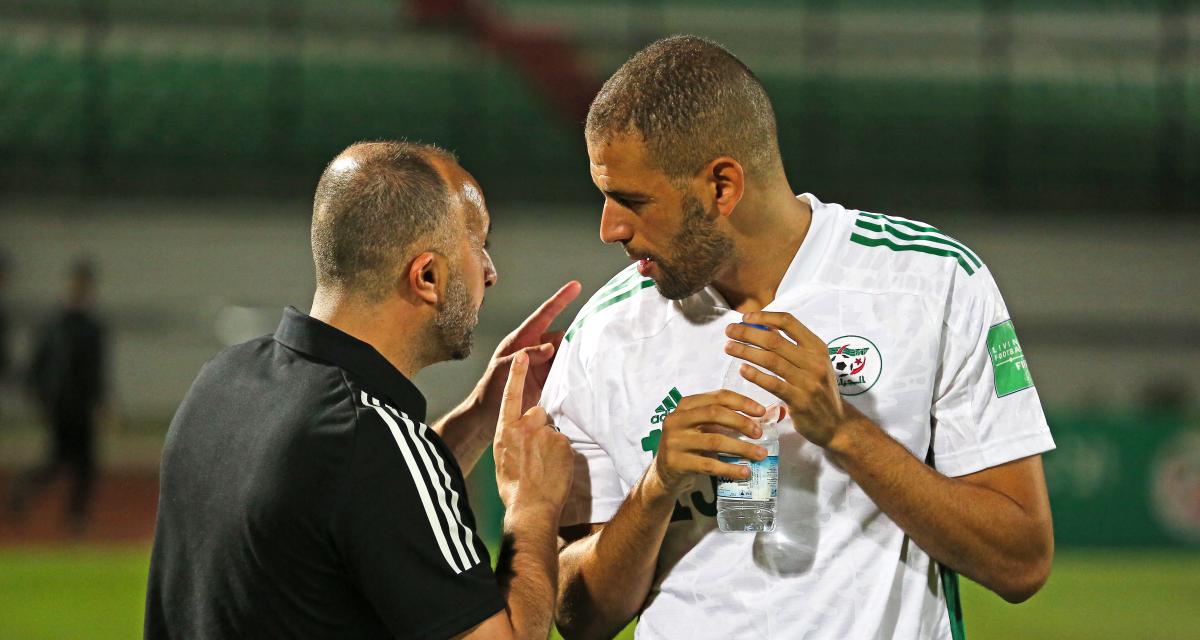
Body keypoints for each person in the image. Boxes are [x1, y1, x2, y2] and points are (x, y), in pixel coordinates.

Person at [546, 36, 1055, 640]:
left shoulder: (931, 284)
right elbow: (577, 618)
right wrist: (656, 490)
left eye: (631, 200)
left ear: (722, 186)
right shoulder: (601, 337)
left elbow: (1020, 562)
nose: (610, 228)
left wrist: (844, 431)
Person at [144, 141, 581, 639]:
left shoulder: (225, 378)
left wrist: (481, 414)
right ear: (427, 276)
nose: (490, 272)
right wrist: (532, 504)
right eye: (479, 244)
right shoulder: (368, 437)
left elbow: (369, 500)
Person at [8, 258, 107, 533]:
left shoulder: (88, 326)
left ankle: (73, 515)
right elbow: (38, 365)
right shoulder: (57, 325)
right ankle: (73, 516)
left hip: (79, 405)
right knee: (69, 461)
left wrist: (101, 401)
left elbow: (97, 370)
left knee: (77, 462)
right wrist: (40, 396)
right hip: (63, 405)